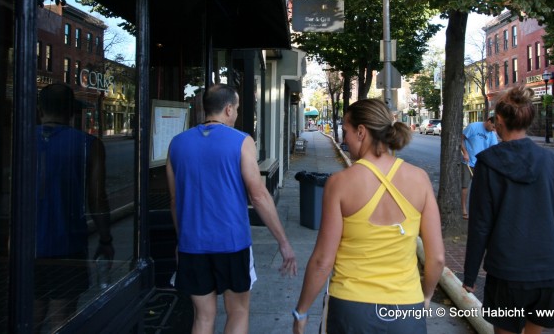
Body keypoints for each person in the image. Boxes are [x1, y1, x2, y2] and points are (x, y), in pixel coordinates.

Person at [293, 98, 445, 334]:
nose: (344, 139)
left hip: (350, 310)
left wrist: (301, 311)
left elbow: (323, 260)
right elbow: (436, 258)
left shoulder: (340, 183)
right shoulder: (420, 179)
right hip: (406, 309)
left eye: (346, 131)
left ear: (361, 132)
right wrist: (425, 296)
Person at [166, 84, 297, 334]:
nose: (236, 114)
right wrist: (283, 242)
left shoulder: (176, 144)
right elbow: (258, 195)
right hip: (232, 244)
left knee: (202, 318)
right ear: (228, 109)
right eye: (236, 109)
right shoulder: (242, 141)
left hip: (192, 244)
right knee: (238, 311)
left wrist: (181, 239)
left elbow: (174, 200)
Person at [462, 85, 554, 334]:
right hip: (550, 274)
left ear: (501, 120)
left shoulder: (488, 163)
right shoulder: (551, 162)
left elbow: (480, 224)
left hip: (507, 273)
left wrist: (470, 276)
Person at [34, 83, 114, 330]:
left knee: (30, 317)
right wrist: (105, 239)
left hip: (27, 244)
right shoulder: (88, 144)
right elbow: (96, 197)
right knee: (62, 319)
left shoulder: (21, 140)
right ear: (73, 111)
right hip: (67, 243)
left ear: (40, 109)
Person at [460, 116, 498, 219]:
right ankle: (463, 208)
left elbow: (493, 150)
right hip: (467, 162)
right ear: (489, 121)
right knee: (465, 186)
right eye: (493, 126)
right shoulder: (473, 127)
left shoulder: (492, 135)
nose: (493, 129)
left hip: (481, 164)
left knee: (481, 188)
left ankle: (479, 210)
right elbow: (461, 139)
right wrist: (465, 152)